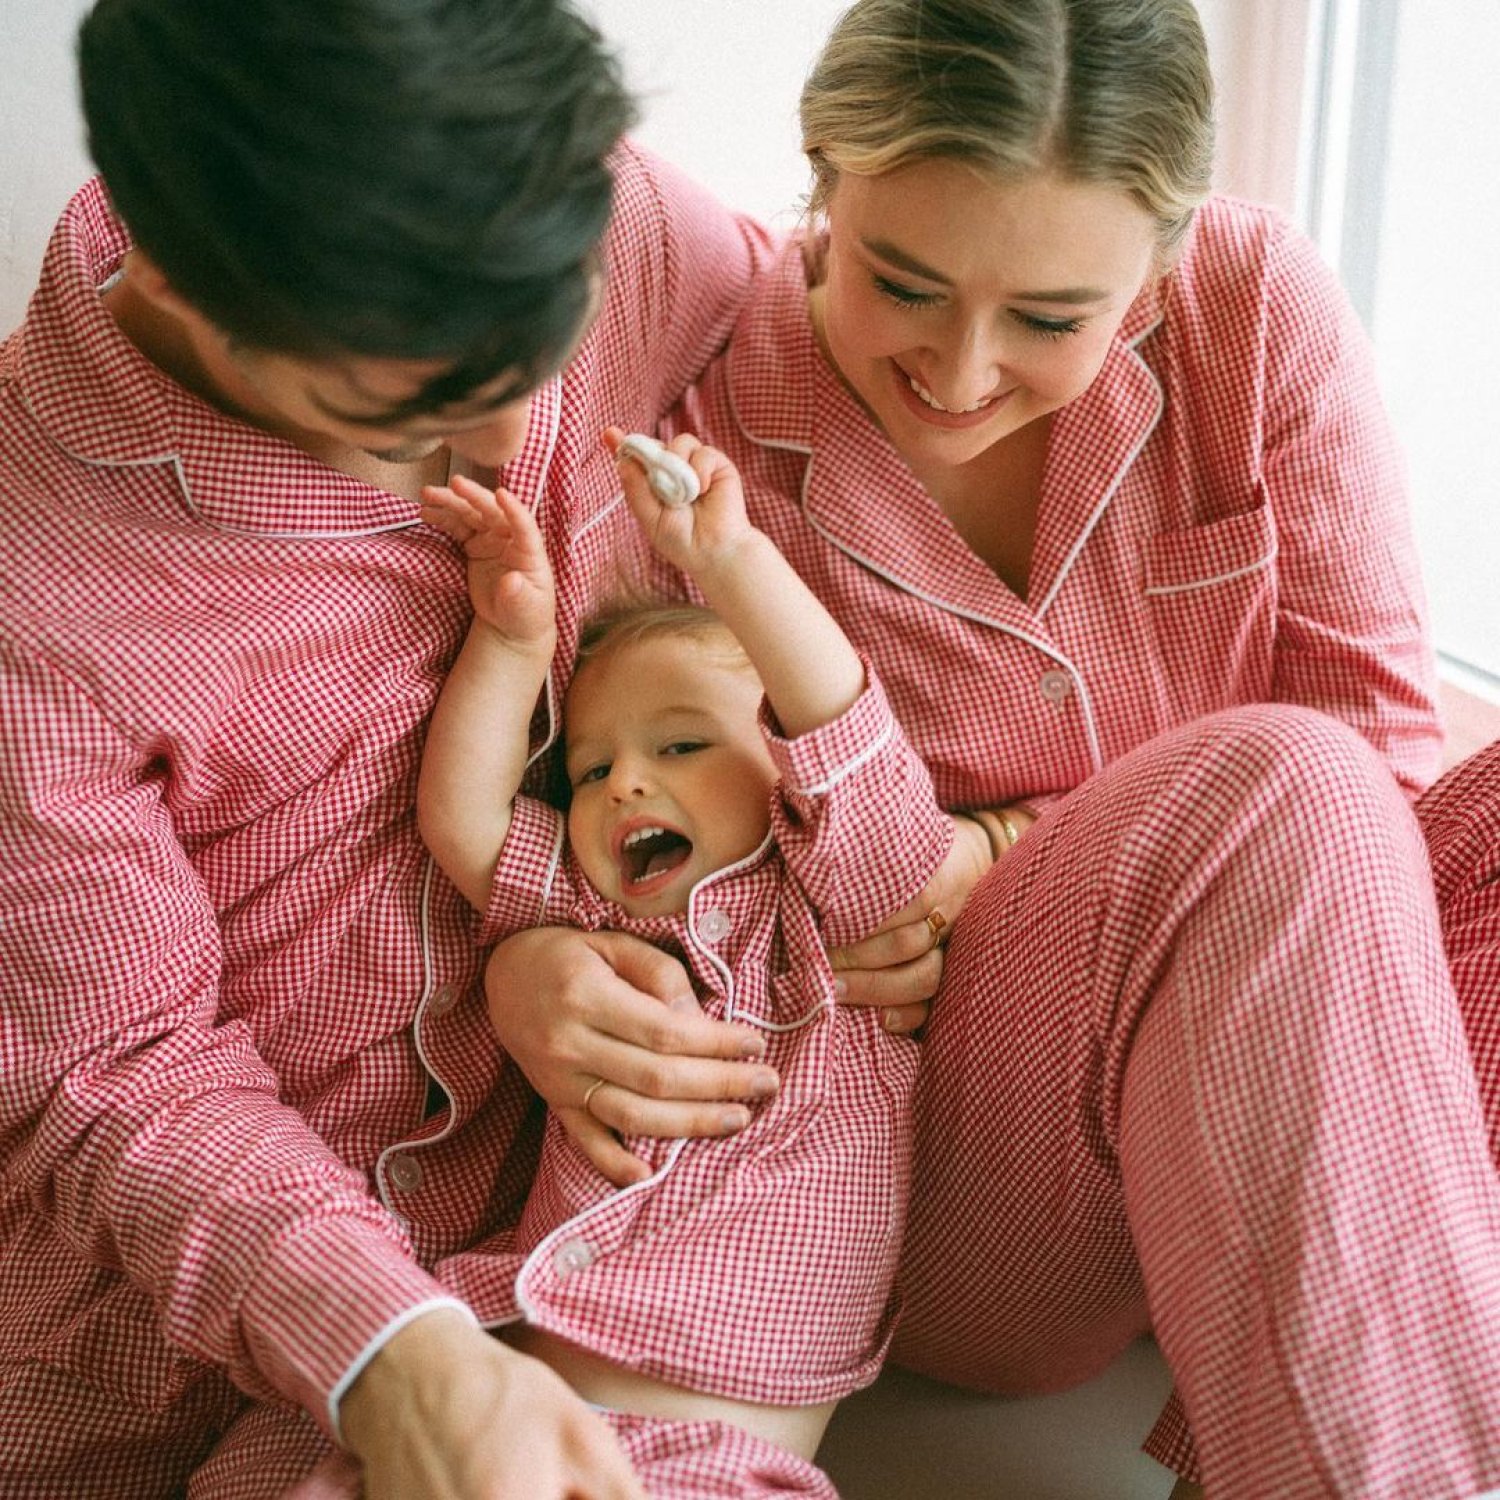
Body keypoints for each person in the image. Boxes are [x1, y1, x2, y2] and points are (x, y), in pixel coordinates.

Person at [483, 2, 1500, 1495]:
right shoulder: (696, 440)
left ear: (1160, 267)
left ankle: (1391, 1373)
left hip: (1269, 1070)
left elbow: (1388, 800)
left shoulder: (1254, 307)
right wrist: (531, 960)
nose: (961, 371)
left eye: (1048, 319)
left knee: (1339, 792)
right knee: (1284, 782)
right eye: (903, 283)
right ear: (823, 185)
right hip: (919, 1155)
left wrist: (1000, 851)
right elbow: (590, 806)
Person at [0, 0, 782, 1494]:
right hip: (229, 1339)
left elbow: (823, 345)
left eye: (537, 361)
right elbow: (112, 1074)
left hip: (612, 1205)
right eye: (405, 415)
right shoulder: (29, 590)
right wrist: (389, 1352)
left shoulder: (570, 211)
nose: (505, 451)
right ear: (173, 278)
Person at [385, 429, 950, 1496]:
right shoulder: (599, 917)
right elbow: (462, 821)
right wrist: (509, 645)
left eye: (681, 746)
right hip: (517, 1388)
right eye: (594, 768)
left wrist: (730, 560)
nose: (625, 786)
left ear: (784, 767)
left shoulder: (835, 920)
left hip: (713, 1447)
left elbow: (847, 740)